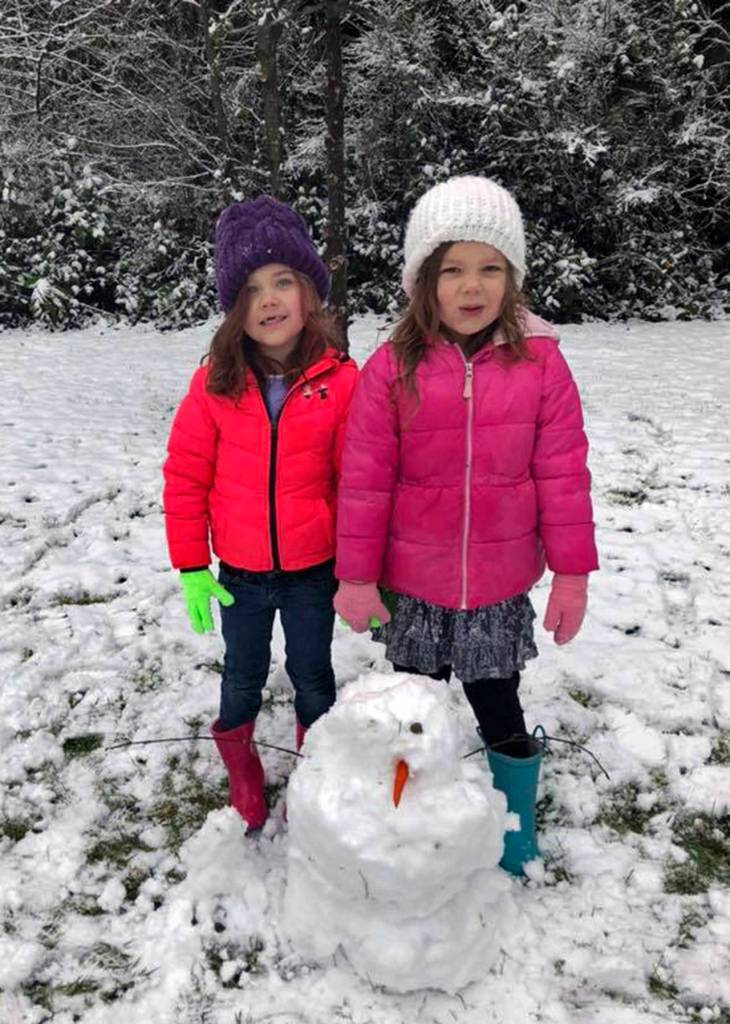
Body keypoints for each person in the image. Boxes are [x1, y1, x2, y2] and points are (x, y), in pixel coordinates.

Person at [334, 175, 598, 874]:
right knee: (408, 711)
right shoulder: (392, 367)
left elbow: (564, 475)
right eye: (452, 269)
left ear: (512, 278)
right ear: (424, 280)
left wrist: (571, 575)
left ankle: (514, 825)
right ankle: (407, 819)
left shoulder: (542, 365)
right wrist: (357, 579)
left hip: (497, 587)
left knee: (499, 705)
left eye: (490, 268)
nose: (471, 286)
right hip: (413, 586)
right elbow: (363, 482)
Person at [163, 196, 358, 832]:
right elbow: (187, 477)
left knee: (313, 675)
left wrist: (361, 565)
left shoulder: (340, 380)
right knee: (241, 677)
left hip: (312, 570)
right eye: (249, 289)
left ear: (308, 293)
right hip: (238, 574)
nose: (268, 300)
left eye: (282, 282)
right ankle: (244, 773)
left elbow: (355, 480)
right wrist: (192, 565)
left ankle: (316, 768)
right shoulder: (215, 384)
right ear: (233, 309)